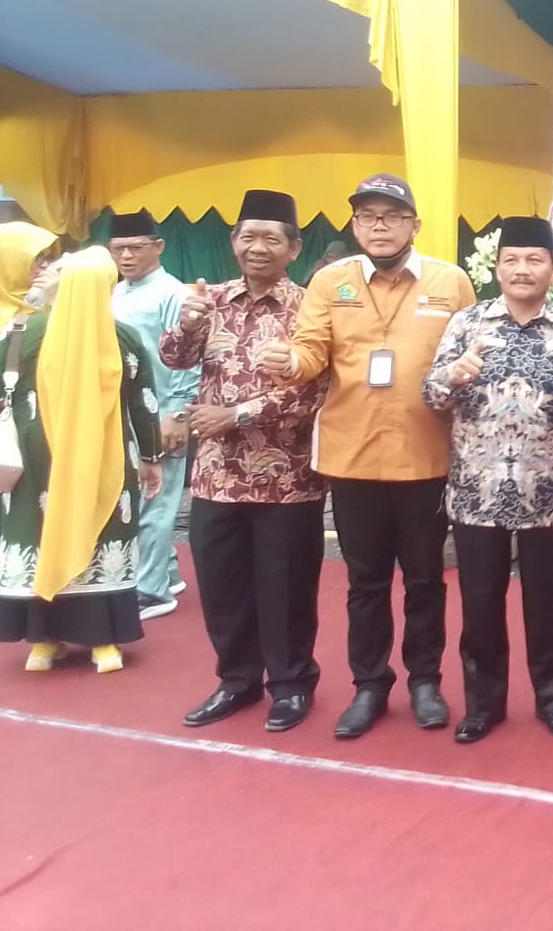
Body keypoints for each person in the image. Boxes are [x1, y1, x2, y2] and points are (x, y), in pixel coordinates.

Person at [259, 174, 476, 740]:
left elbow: (471, 352)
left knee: (426, 579)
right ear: (355, 225)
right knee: (366, 583)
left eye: (392, 216)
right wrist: (291, 362)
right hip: (352, 455)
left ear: (414, 225)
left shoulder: (450, 282)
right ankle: (370, 685)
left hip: (426, 456)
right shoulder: (330, 281)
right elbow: (311, 350)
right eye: (367, 216)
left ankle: (425, 682)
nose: (379, 226)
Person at [162, 191, 330, 734]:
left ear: (293, 249)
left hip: (288, 478)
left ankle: (291, 684)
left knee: (286, 589)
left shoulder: (310, 308)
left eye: (271, 239)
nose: (258, 247)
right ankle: (237, 680)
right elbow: (173, 358)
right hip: (216, 477)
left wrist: (235, 416)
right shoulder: (211, 299)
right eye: (248, 236)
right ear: (234, 242)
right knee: (222, 587)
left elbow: (315, 389)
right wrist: (188, 325)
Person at [425, 216, 553, 744]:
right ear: (496, 268)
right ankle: (483, 704)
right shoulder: (466, 324)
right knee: (479, 606)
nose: (522, 270)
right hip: (476, 494)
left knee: (549, 606)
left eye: (534, 260)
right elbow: (430, 396)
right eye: (512, 260)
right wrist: (452, 376)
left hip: (550, 495)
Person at [0, 247, 163, 674]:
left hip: (36, 463)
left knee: (40, 534)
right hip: (105, 463)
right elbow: (144, 402)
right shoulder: (123, 337)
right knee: (101, 530)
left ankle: (43, 642)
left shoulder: (21, 332)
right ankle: (102, 643)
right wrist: (151, 456)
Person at [107, 209, 199, 620]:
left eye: (135, 248)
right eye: (118, 249)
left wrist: (177, 414)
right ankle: (167, 573)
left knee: (155, 502)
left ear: (158, 246)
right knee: (142, 499)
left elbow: (190, 359)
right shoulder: (117, 292)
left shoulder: (172, 294)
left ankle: (151, 591)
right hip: (127, 415)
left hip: (161, 412)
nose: (126, 256)